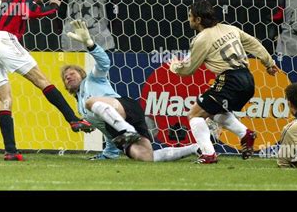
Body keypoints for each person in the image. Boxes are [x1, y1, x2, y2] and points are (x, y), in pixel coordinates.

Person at [0, 0, 93, 161]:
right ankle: (74, 120)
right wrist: (54, 6)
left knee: (4, 99)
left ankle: (10, 151)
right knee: (42, 80)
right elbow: (34, 12)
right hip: (3, 39)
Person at [61, 20, 199, 162]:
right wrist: (109, 153)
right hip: (117, 128)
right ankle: (195, 148)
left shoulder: (93, 78)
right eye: (66, 78)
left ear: (82, 74)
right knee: (145, 156)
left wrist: (90, 44)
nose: (69, 77)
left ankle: (127, 130)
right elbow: (105, 128)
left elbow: (104, 62)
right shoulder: (80, 109)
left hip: (125, 109)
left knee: (90, 102)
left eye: (72, 73)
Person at [169, 0, 279, 164]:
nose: (189, 20)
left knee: (194, 114)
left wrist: (174, 67)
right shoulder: (231, 29)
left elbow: (188, 70)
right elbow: (254, 44)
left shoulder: (202, 39)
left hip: (229, 80)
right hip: (248, 80)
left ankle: (208, 155)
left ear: (198, 20)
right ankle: (245, 134)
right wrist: (269, 63)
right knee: (215, 112)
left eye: (190, 16)